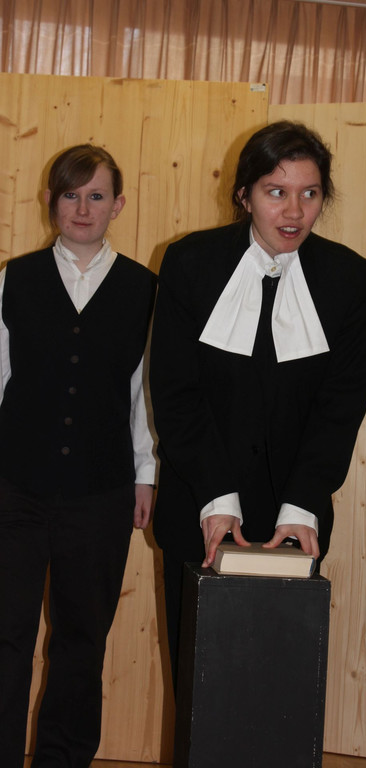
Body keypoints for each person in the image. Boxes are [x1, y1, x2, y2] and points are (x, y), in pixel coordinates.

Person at [150, 120, 366, 679]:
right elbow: (176, 394)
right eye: (276, 192)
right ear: (244, 195)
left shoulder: (348, 277)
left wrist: (301, 504)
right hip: (199, 506)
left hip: (293, 518)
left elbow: (341, 405)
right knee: (199, 685)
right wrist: (216, 498)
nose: (294, 211)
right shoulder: (190, 263)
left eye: (310, 193)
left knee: (280, 687)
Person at [0, 144, 157, 768]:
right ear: (50, 200)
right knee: (5, 636)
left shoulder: (145, 290)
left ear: (118, 204)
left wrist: (146, 474)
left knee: (82, 642)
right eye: (71, 194)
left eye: (96, 195)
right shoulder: (14, 279)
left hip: (101, 491)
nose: (83, 207)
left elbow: (144, 392)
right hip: (14, 486)